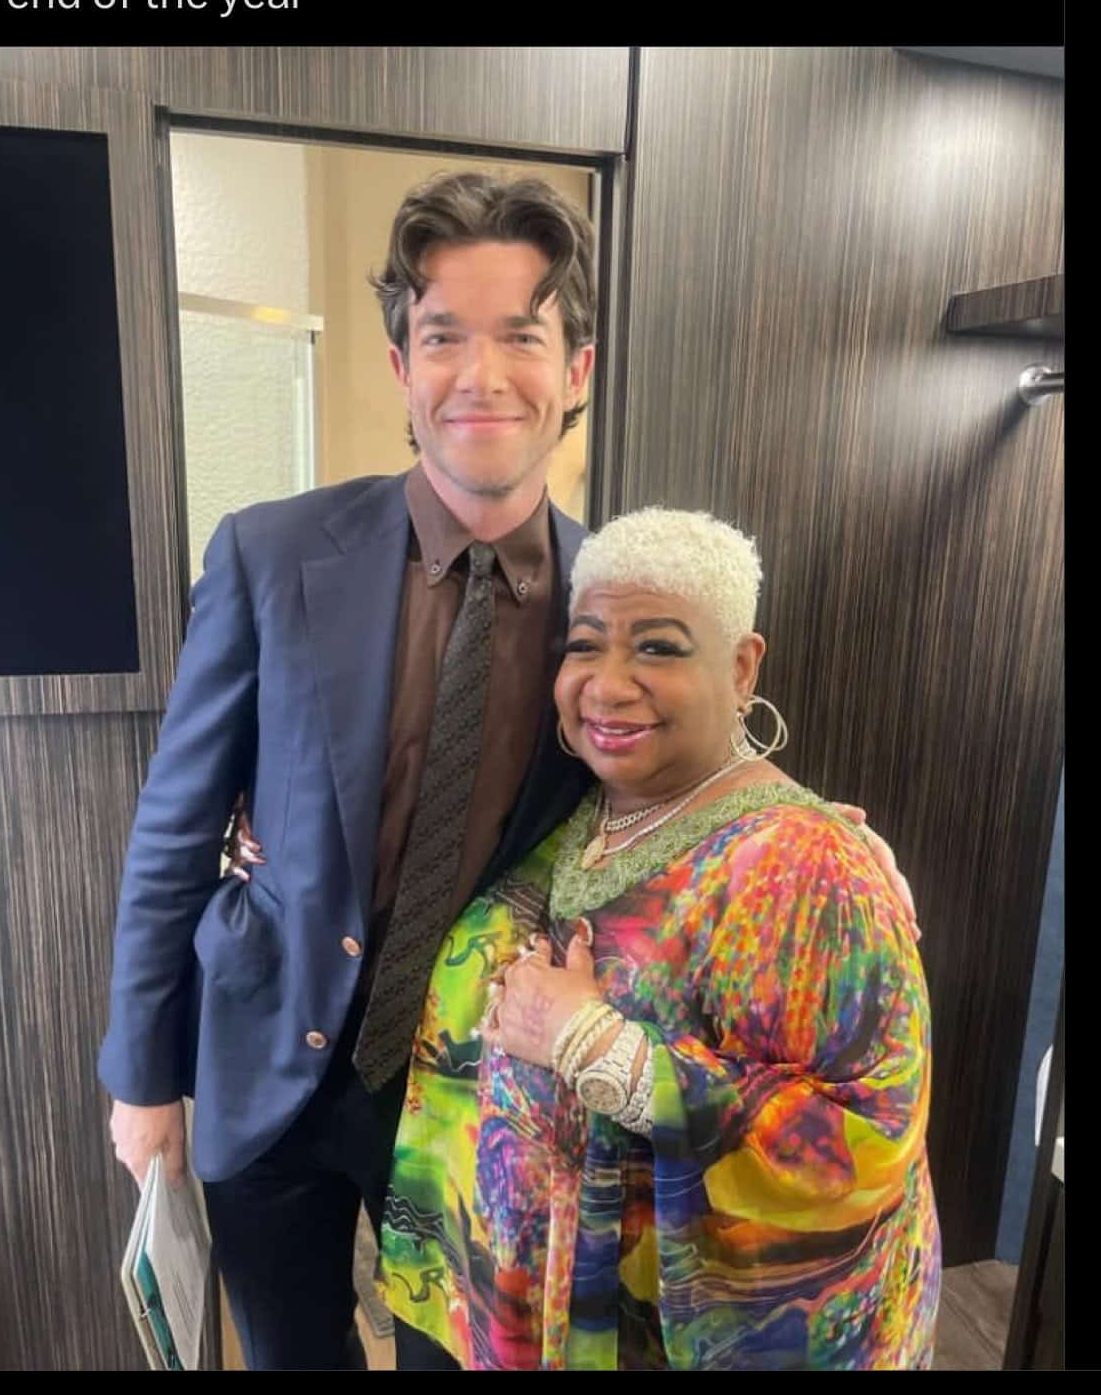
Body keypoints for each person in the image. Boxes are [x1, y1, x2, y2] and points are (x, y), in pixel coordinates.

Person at [99, 170, 916, 1371]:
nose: (481, 375)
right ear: (401, 366)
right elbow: (175, 825)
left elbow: (667, 766)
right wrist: (142, 1078)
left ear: (575, 370)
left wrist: (802, 826)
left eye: (520, 336)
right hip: (263, 1055)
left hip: (476, 1090)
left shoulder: (607, 597)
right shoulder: (270, 554)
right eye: (444, 337)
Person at [379, 506, 941, 1371]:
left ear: (742, 667)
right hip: (522, 1306)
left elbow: (867, 1145)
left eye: (658, 648)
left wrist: (595, 1046)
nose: (607, 684)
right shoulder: (577, 808)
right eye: (586, 645)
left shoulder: (805, 865)